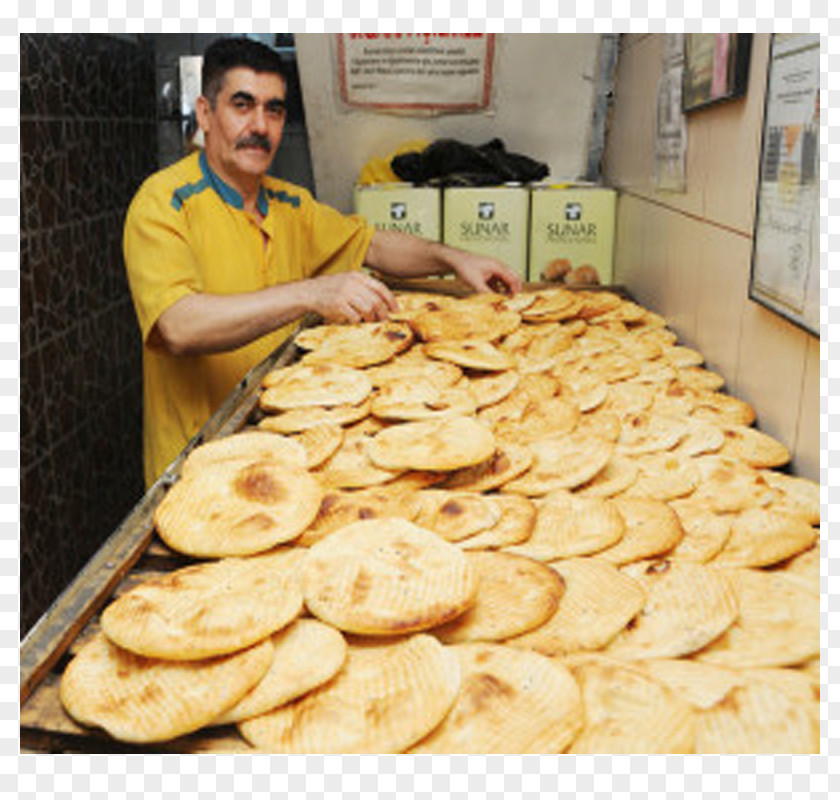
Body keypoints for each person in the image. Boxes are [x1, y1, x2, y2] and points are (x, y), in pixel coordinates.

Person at [123, 36, 522, 488]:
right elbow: (178, 325)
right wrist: (311, 294)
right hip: (199, 464)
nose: (261, 125)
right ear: (205, 113)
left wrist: (452, 257)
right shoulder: (163, 203)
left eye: (274, 110)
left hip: (284, 451)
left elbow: (370, 245)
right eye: (242, 105)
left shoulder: (291, 203)